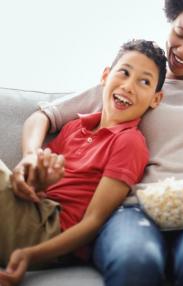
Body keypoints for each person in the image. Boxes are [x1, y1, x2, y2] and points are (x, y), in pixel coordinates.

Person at [6, 0, 183, 286]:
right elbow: (45, 115)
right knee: (134, 261)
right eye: (180, 34)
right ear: (171, 20)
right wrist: (30, 154)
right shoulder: (133, 84)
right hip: (130, 210)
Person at [0, 39, 167, 285]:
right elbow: (40, 183)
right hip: (30, 211)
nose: (129, 86)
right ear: (105, 76)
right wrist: (34, 179)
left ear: (156, 99)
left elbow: (93, 222)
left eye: (144, 82)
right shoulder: (75, 127)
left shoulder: (129, 142)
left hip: (51, 231)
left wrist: (29, 255)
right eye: (124, 73)